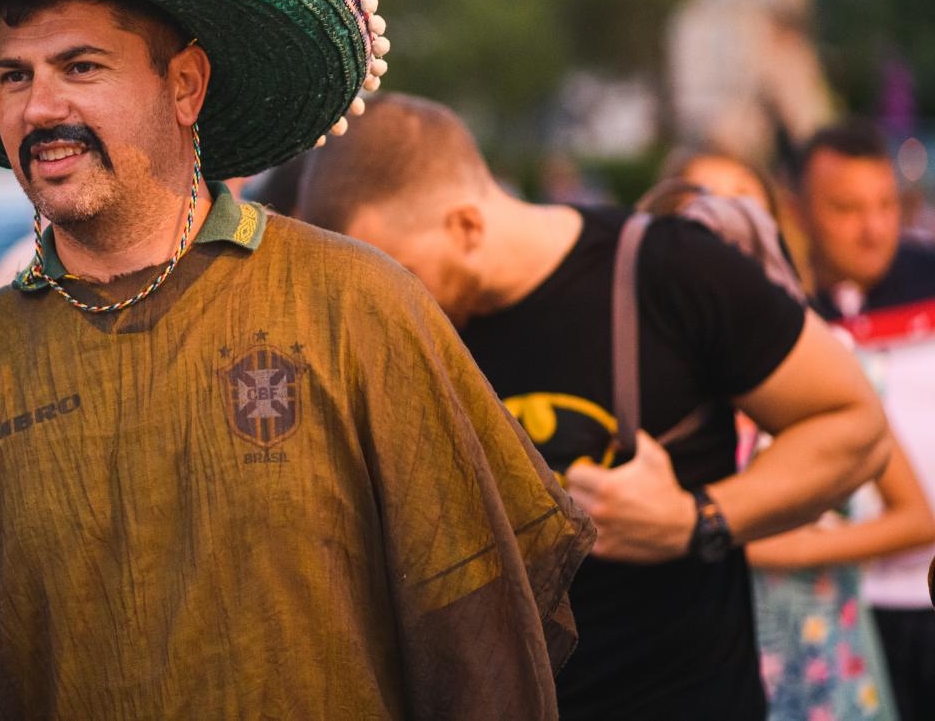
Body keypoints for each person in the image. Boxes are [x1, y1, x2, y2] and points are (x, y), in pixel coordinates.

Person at [0, 0, 593, 720]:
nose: (40, 107)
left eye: (81, 67)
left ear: (185, 86)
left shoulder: (356, 308)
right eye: (13, 76)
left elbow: (480, 647)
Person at [298, 93, 891, 721]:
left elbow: (855, 425)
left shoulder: (666, 268)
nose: (383, 304)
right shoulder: (412, 339)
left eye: (399, 273)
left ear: (466, 226)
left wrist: (697, 518)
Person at [675, 146, 928, 720]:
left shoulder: (823, 358)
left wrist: (775, 542)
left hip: (817, 658)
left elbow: (917, 516)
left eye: (743, 208)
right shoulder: (651, 373)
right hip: (702, 658)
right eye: (702, 211)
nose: (724, 228)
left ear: (771, 227)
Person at [797, 119, 935, 721]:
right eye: (846, 208)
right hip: (840, 608)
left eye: (885, 204)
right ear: (799, 211)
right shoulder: (782, 308)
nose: (873, 226)